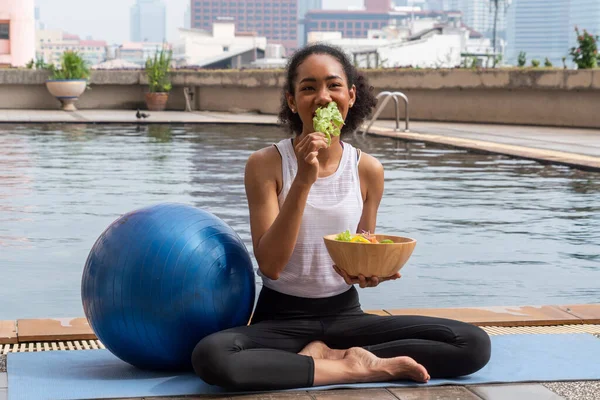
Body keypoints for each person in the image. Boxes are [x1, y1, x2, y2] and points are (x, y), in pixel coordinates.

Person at [192, 44, 491, 391]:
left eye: (334, 86)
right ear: (292, 101)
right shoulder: (265, 164)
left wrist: (371, 273)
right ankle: (354, 366)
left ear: (350, 97)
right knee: (212, 356)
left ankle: (326, 357)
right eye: (308, 88)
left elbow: (361, 252)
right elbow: (272, 265)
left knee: (472, 343)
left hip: (346, 315)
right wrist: (304, 178)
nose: (323, 97)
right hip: (281, 319)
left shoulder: (368, 170)